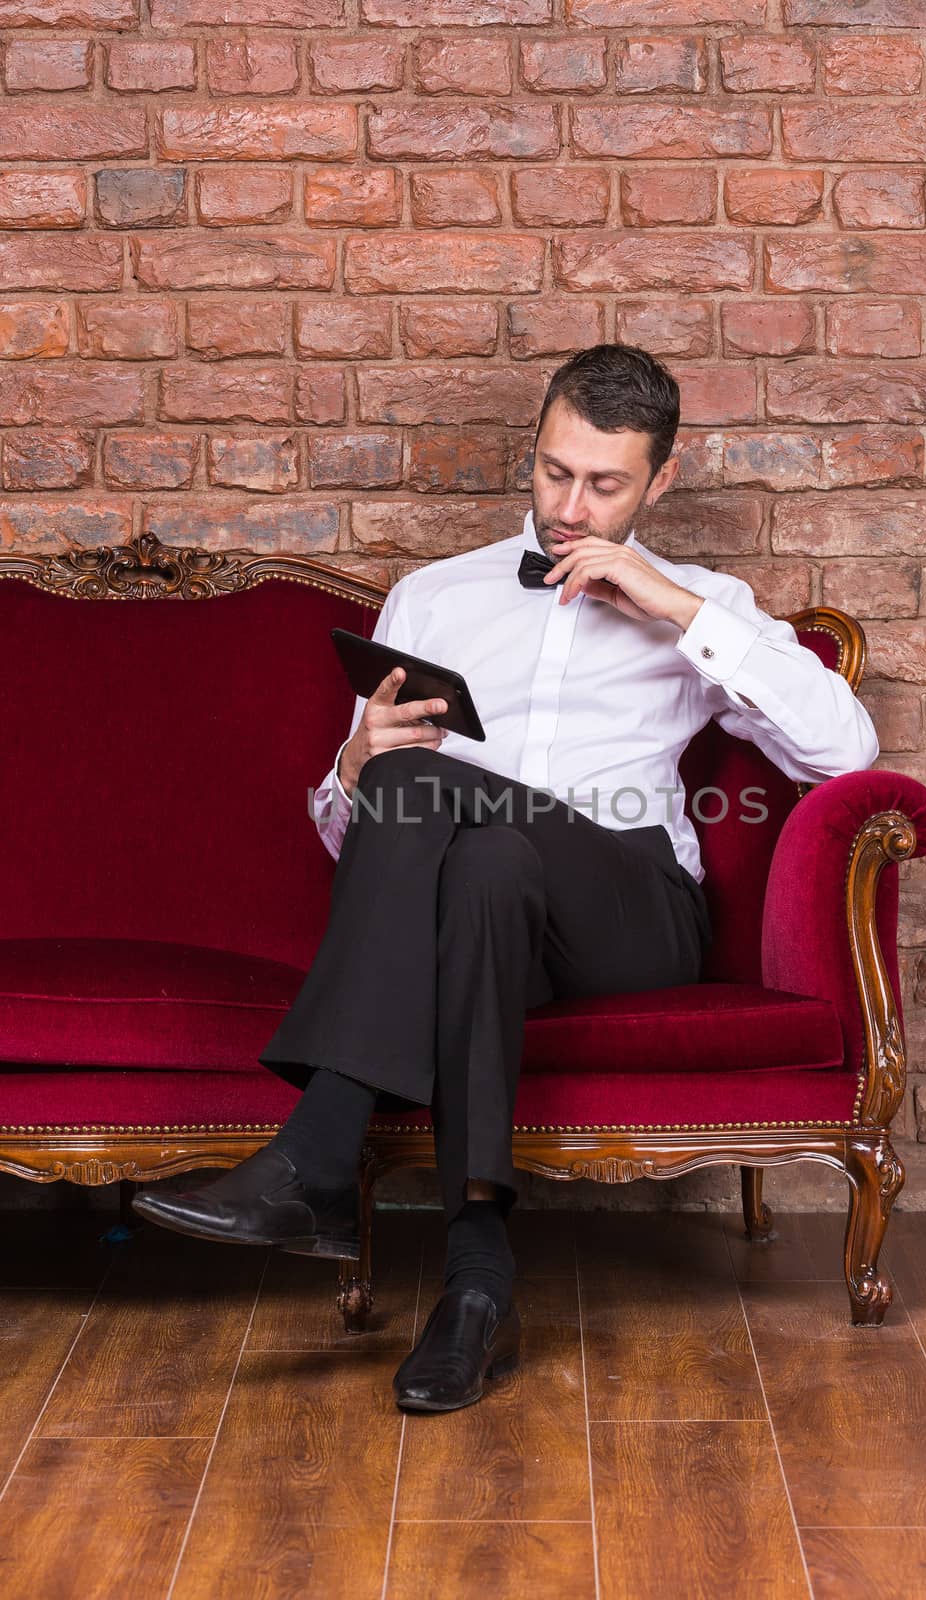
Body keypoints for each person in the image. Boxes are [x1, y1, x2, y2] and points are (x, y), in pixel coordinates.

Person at [133, 344, 879, 1413]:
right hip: (474, 911)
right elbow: (359, 841)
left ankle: (314, 1157)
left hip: (627, 912)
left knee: (437, 791)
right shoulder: (434, 597)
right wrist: (349, 770)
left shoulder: (702, 600)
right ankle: (476, 1289)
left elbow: (843, 752)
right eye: (551, 472)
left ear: (658, 480)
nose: (570, 506)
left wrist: (672, 607)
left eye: (604, 484)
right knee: (464, 841)